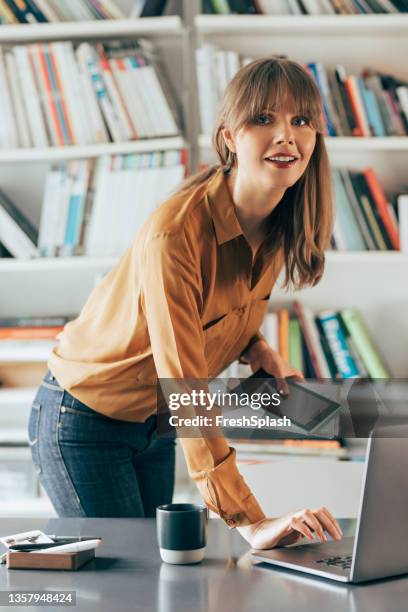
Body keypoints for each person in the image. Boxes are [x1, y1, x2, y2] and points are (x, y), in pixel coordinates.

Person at [28, 57, 343, 549]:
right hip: (85, 418)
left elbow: (216, 302)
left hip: (155, 423)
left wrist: (255, 346)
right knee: (119, 583)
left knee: (158, 576)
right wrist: (249, 522)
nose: (286, 136)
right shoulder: (175, 232)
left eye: (300, 120)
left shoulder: (281, 221)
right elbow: (186, 384)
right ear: (229, 137)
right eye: (264, 118)